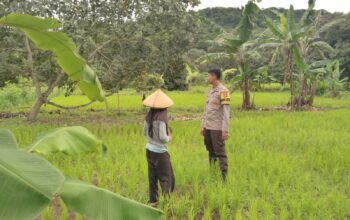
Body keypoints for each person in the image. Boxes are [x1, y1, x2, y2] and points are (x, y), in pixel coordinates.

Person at [143, 89, 175, 207]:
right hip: (160, 152)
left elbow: (144, 132)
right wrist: (169, 137)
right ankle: (167, 203)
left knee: (152, 176)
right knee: (166, 177)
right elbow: (162, 137)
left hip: (149, 150)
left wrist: (152, 139)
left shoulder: (148, 116)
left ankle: (153, 201)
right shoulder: (161, 117)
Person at [200, 69, 230, 180]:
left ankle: (224, 177)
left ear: (214, 76)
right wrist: (203, 125)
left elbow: (226, 112)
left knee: (220, 153)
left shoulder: (224, 91)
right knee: (210, 151)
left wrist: (225, 130)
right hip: (208, 127)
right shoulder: (211, 91)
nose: (207, 78)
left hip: (217, 128)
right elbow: (206, 110)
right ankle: (213, 173)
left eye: (209, 76)